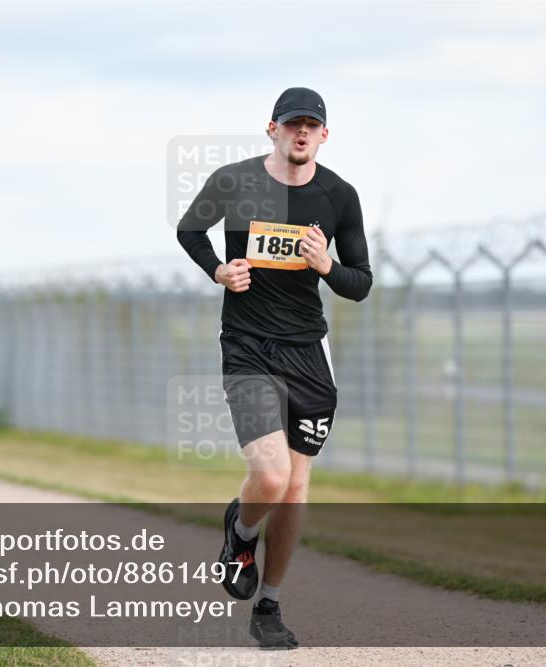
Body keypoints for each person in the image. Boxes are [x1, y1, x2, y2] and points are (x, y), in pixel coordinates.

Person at [176, 87, 372, 649]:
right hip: (247, 345)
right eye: (292, 125)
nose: (301, 133)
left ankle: (270, 606)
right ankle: (240, 532)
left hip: (308, 350)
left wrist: (327, 265)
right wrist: (218, 271)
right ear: (273, 130)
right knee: (270, 476)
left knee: (296, 487)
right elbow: (190, 230)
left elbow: (360, 283)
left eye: (312, 126)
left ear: (325, 136)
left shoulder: (339, 195)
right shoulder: (234, 181)